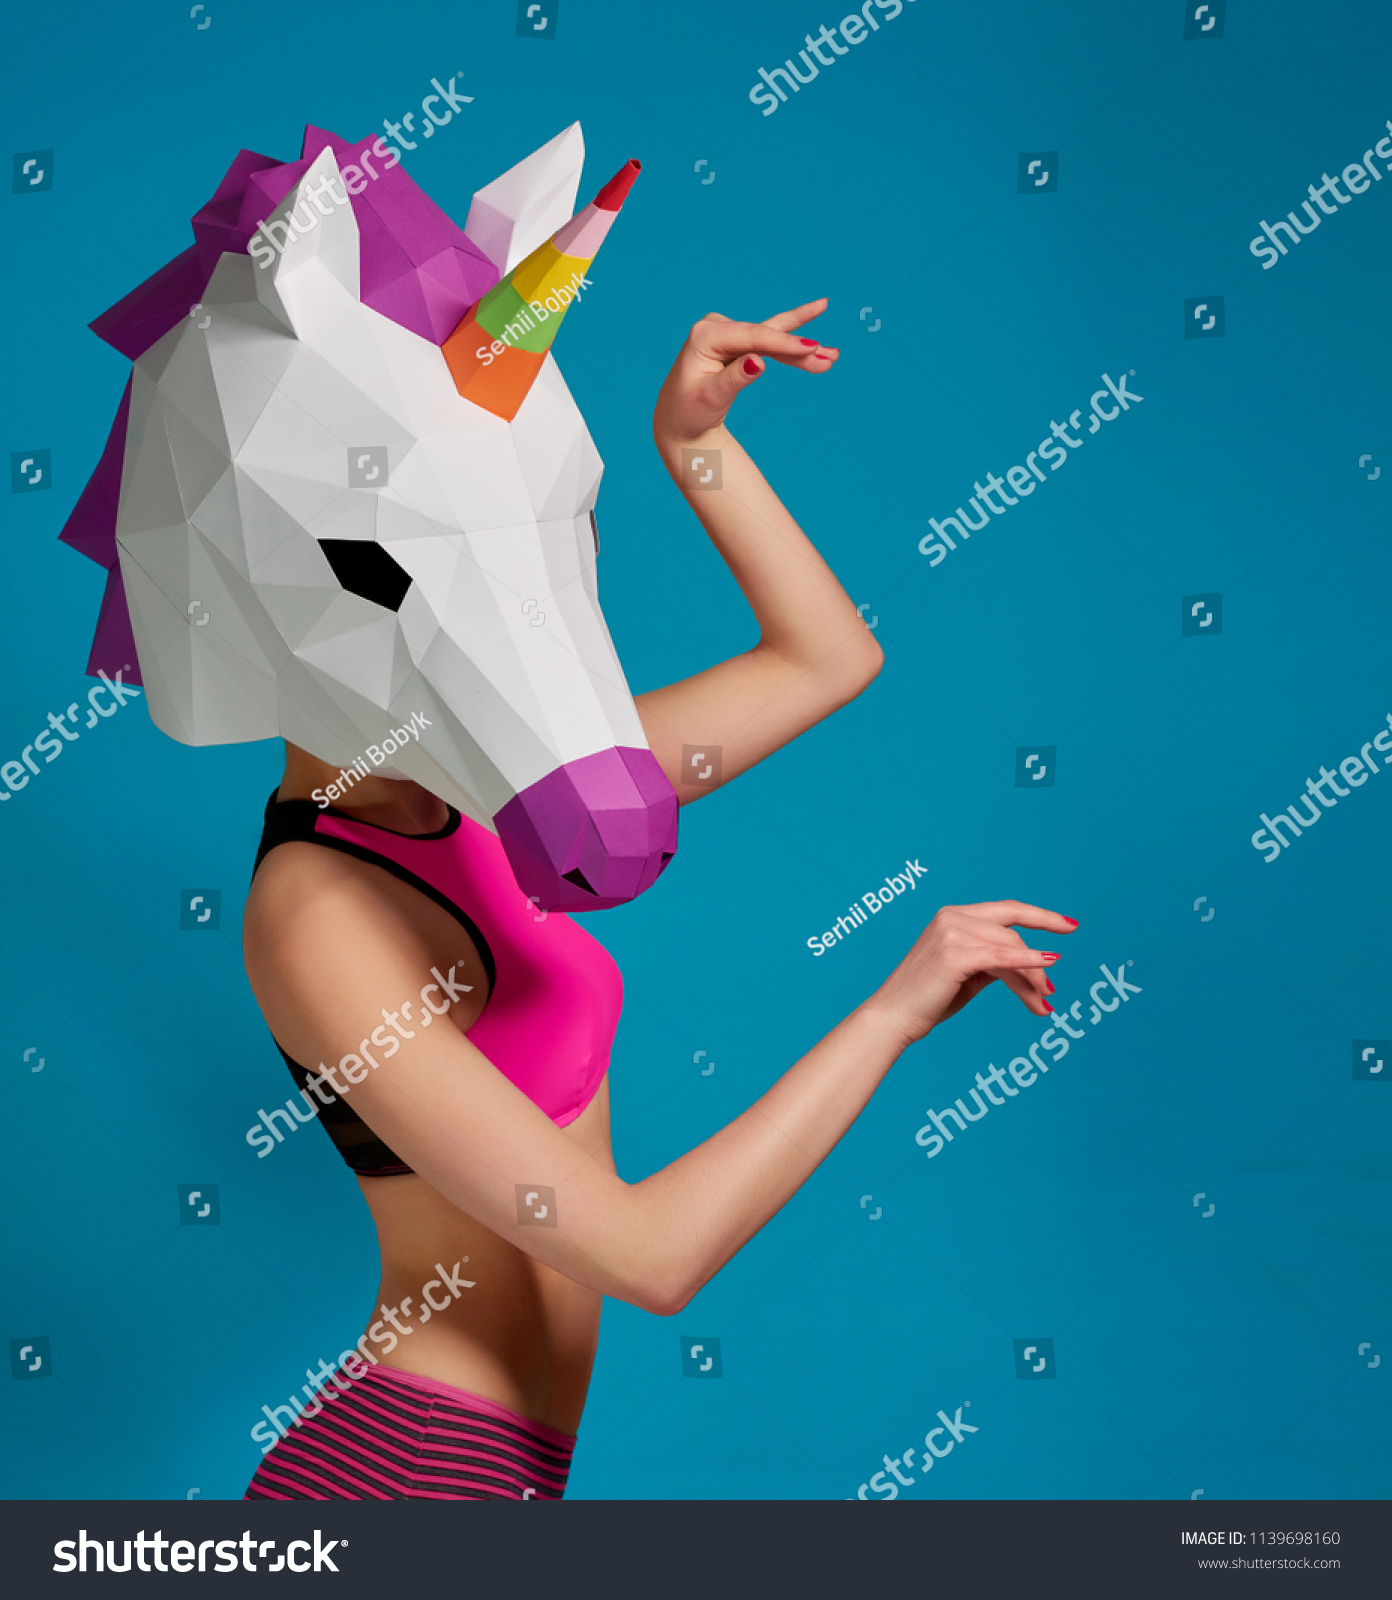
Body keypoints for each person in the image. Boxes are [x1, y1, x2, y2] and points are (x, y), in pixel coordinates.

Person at [240, 299, 1074, 1500]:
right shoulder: (315, 912)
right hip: (402, 1481)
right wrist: (890, 1012)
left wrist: (694, 445)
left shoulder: (480, 800)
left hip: (496, 1470)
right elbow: (652, 1255)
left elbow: (825, 661)